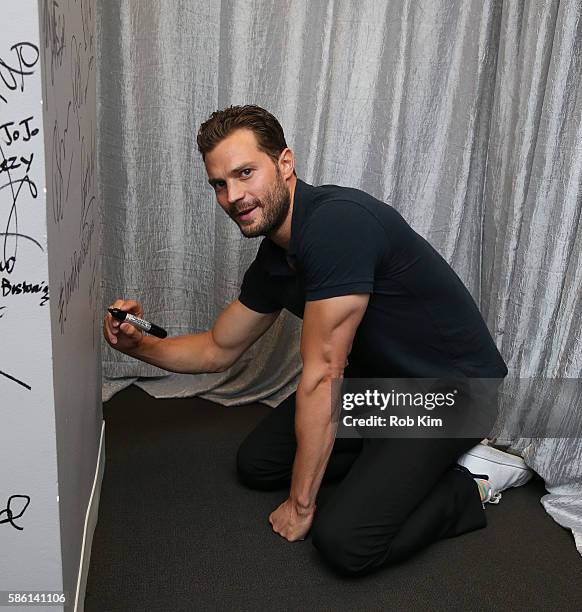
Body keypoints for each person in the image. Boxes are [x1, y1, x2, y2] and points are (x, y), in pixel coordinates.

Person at [103, 105, 532, 576]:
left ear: (285, 163)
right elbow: (217, 348)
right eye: (219, 184)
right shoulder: (274, 255)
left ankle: (474, 482)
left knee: (345, 542)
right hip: (384, 388)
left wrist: (302, 506)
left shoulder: (336, 226)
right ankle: (393, 460)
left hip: (455, 393)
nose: (234, 196)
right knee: (257, 465)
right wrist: (137, 346)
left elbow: (324, 375)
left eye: (245, 173)